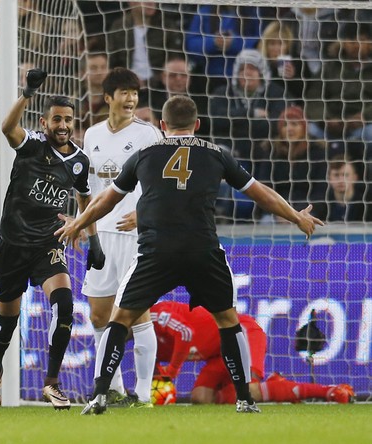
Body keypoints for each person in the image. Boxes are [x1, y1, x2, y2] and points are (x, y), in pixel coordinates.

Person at [56, 95, 324, 415]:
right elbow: (259, 193)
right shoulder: (217, 154)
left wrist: (79, 223)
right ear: (197, 125)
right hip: (203, 251)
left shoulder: (144, 154)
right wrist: (296, 216)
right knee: (228, 320)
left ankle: (100, 395)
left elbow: (106, 200)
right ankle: (244, 399)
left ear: (162, 125)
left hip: (157, 251)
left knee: (120, 319)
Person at [0, 69, 96, 413]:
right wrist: (28, 92)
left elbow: (84, 198)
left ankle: (52, 383)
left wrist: (87, 232)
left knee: (64, 306)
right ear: (44, 122)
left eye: (68, 120)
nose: (63, 125)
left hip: (49, 244)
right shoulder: (31, 146)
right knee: (7, 326)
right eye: (57, 119)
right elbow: (7, 129)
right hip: (13, 246)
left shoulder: (79, 161)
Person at [81, 67, 163, 408]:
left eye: (135, 94)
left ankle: (144, 393)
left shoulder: (149, 136)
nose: (131, 99)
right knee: (99, 315)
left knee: (136, 313)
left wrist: (144, 215)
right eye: (125, 93)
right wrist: (88, 229)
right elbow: (87, 188)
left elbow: (165, 186)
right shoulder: (91, 135)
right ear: (108, 97)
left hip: (136, 237)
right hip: (103, 234)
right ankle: (113, 389)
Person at [150, 301, 356, 405]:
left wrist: (172, 371)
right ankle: (276, 386)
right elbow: (154, 367)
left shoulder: (158, 316)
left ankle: (330, 391)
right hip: (217, 354)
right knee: (200, 398)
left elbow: (184, 333)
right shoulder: (146, 341)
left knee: (244, 393)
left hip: (240, 333)